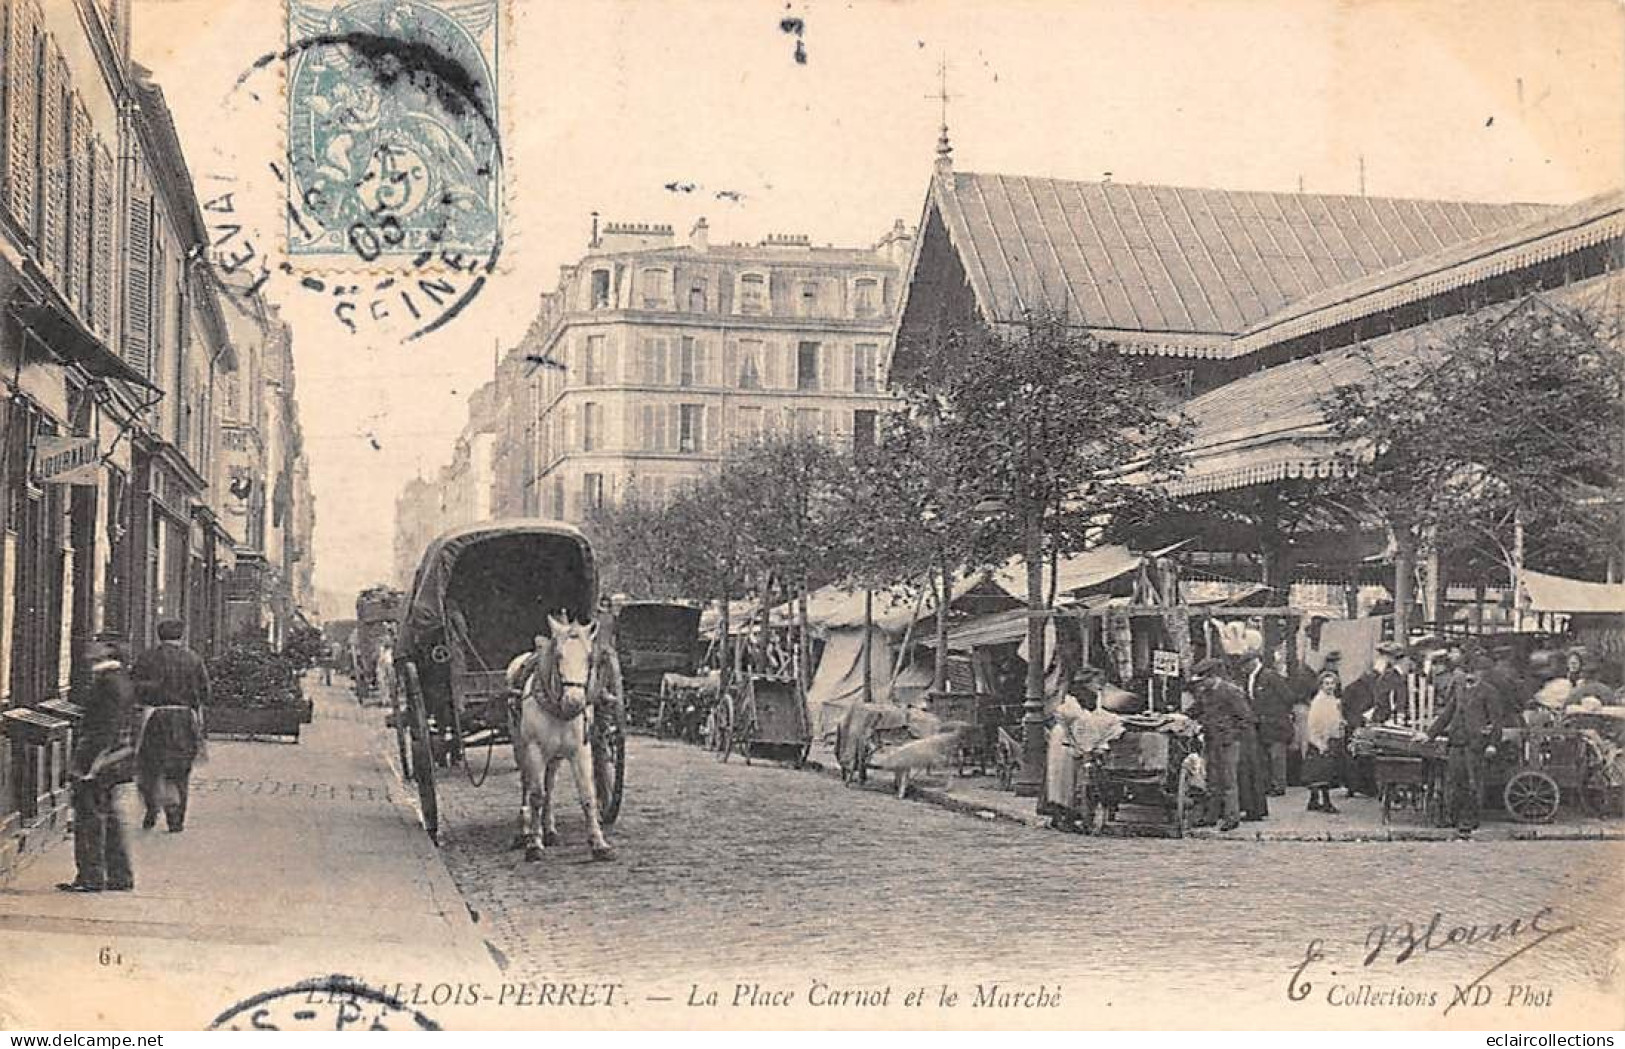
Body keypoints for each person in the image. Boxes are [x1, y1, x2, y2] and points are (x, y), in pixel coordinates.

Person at [59, 637, 137, 892]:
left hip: (98, 758)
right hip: (113, 758)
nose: (90, 647)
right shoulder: (119, 678)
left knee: (89, 817)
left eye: (97, 643)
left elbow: (105, 729)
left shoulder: (107, 682)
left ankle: (91, 877)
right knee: (110, 817)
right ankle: (119, 875)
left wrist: (89, 766)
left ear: (108, 650)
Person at [132, 619, 212, 833]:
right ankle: (175, 819)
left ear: (159, 635)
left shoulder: (147, 657)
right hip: (185, 719)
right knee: (180, 770)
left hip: (154, 717)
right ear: (181, 636)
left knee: (150, 766)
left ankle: (151, 807)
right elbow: (205, 692)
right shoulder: (193, 659)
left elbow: (135, 686)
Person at [1421, 655, 1500, 837]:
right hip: (1457, 742)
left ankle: (1470, 819)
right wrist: (1429, 734)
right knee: (1455, 780)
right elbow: (1447, 715)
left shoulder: (1489, 692)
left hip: (1476, 744)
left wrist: (1493, 744)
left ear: (1482, 674)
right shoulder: (1460, 691)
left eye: (1475, 673)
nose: (1470, 676)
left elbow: (1496, 721)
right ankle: (1454, 817)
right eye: (1467, 672)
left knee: (1473, 782)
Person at [1186, 657, 1254, 832]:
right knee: (1213, 780)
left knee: (1228, 781)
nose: (1201, 685)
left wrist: (1231, 735)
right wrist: (1181, 716)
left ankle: (1232, 817)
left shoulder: (1231, 692)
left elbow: (1246, 718)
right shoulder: (1205, 693)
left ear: (1212, 677)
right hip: (1211, 740)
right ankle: (1211, 816)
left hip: (1227, 742)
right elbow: (1196, 710)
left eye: (1203, 680)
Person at [1248, 649, 1295, 796]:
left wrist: (1278, 712)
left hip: (1276, 723)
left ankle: (1278, 785)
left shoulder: (1270, 676)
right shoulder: (1252, 677)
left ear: (1254, 661)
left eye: (1245, 664)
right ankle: (1269, 784)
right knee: (1266, 756)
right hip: (1263, 724)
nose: (1243, 668)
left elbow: (1288, 696)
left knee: (1277, 756)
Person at [1303, 670, 1345, 814]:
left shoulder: (1332, 699)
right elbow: (1313, 723)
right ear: (1320, 685)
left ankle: (1313, 800)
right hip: (1321, 741)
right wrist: (1319, 742)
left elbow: (1333, 718)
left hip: (1331, 739)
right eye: (1326, 684)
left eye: (1332, 683)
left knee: (1322, 772)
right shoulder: (1319, 701)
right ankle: (1326, 802)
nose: (1330, 686)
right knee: (1322, 774)